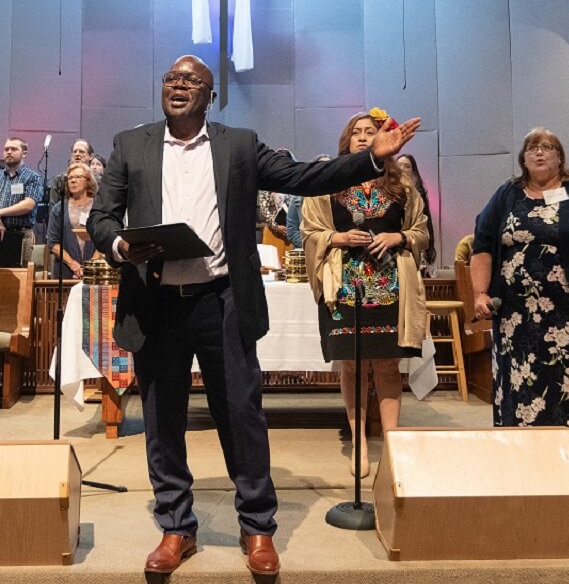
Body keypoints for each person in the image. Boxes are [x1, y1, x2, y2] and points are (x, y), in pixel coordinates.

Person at [87, 55, 419, 577]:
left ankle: (257, 526)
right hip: (156, 303)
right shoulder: (132, 144)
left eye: (191, 81)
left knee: (242, 416)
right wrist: (121, 243)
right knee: (162, 419)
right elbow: (102, 216)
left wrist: (370, 160)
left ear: (210, 95)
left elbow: (304, 177)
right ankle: (176, 525)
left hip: (222, 301)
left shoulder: (238, 144)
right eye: (172, 79)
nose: (179, 86)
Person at [471, 128, 569, 472]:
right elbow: (482, 244)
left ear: (560, 157)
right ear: (523, 159)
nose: (539, 153)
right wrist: (481, 292)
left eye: (547, 148)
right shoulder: (507, 195)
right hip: (517, 315)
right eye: (532, 148)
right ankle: (522, 455)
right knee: (522, 384)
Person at [302, 111, 429, 475]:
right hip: (343, 287)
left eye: (369, 131)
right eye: (355, 133)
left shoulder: (402, 186)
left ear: (382, 138)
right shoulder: (329, 184)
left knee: (388, 365)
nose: (361, 137)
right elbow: (310, 230)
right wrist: (336, 237)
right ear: (346, 142)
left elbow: (421, 231)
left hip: (389, 286)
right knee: (352, 364)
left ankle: (392, 443)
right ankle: (358, 441)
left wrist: (399, 237)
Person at [0, 137, 44, 266]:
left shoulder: (33, 177)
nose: (9, 152)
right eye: (6, 149)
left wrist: (0, 212)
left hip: (21, 234)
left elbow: (28, 205)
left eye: (13, 149)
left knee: (22, 279)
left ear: (24, 153)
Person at [46, 162, 97, 279]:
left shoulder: (99, 206)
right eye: (70, 178)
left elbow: (105, 237)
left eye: (78, 177)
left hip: (95, 272)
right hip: (66, 271)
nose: (73, 180)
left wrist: (92, 264)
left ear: (88, 181)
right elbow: (52, 242)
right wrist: (73, 264)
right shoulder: (59, 208)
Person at [396, 153, 437, 275]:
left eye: (407, 166)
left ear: (413, 171)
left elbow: (425, 223)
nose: (402, 169)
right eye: (399, 166)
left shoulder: (418, 195)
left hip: (409, 245)